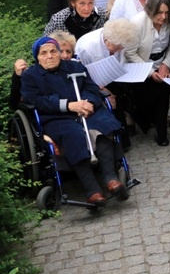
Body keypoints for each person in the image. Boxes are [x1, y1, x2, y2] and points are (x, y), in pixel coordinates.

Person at [21, 37, 125, 206]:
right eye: (44, 53)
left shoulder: (75, 67)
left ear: (59, 53)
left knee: (102, 126)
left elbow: (91, 88)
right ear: (37, 57)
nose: (50, 56)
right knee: (73, 135)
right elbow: (36, 101)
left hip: (87, 110)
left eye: (53, 51)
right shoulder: (31, 76)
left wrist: (88, 103)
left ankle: (110, 179)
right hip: (57, 117)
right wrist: (69, 106)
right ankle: (92, 190)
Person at [76, 18, 140, 148]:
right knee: (112, 101)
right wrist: (106, 91)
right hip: (89, 80)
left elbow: (119, 62)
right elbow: (87, 76)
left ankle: (126, 133)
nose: (119, 50)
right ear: (107, 39)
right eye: (117, 47)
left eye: (121, 47)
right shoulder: (88, 48)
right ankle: (117, 141)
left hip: (110, 75)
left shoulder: (118, 40)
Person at [124, 0, 170, 147]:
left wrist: (166, 63)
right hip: (141, 64)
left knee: (163, 92)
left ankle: (161, 133)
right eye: (159, 13)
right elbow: (129, 53)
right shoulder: (138, 23)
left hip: (162, 63)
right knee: (145, 98)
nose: (163, 17)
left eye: (167, 12)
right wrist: (149, 72)